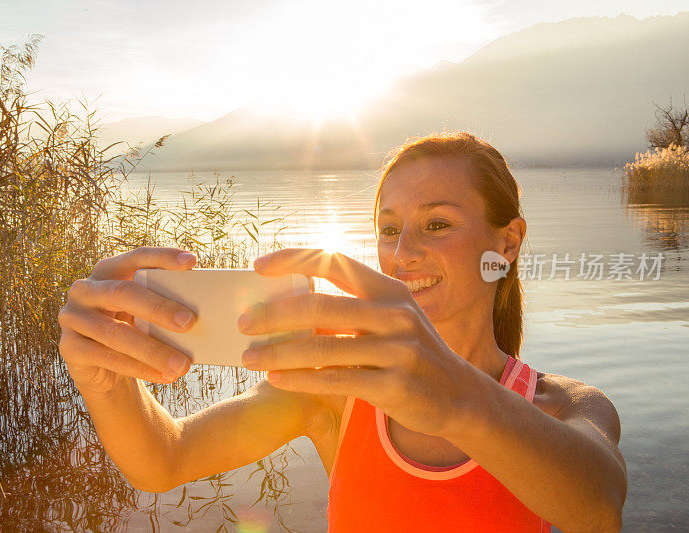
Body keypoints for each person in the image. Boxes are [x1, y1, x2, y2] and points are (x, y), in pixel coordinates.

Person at [57, 132, 627, 532]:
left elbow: (598, 511)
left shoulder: (563, 407)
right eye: (388, 229)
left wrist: (454, 399)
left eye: (437, 224)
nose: (403, 254)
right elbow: (165, 459)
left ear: (507, 243)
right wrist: (106, 381)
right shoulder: (338, 389)